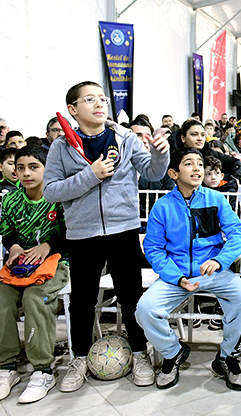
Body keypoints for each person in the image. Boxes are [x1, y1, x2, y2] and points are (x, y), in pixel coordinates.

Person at [43, 81, 169, 392]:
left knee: (131, 296)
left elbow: (152, 173)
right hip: (82, 233)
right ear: (73, 110)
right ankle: (80, 358)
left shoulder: (125, 138)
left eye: (102, 98)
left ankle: (140, 353)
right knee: (82, 301)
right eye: (89, 99)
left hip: (122, 229)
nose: (99, 104)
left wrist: (160, 156)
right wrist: (90, 175)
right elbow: (51, 191)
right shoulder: (61, 147)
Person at [135, 148, 241, 390]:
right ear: (173, 173)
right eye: (189, 163)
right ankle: (173, 352)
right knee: (145, 310)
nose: (197, 168)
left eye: (199, 163)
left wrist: (220, 260)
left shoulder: (216, 199)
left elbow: (238, 233)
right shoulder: (162, 207)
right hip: (176, 276)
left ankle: (227, 357)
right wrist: (176, 277)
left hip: (213, 272)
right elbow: (154, 248)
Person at [0, 146, 68, 403]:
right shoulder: (11, 200)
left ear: (46, 168)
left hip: (58, 262)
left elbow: (72, 235)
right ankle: (6, 367)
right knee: (2, 299)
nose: (26, 173)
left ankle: (42, 370)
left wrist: (48, 246)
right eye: (20, 168)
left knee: (34, 298)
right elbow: (8, 234)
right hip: (21, 264)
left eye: (33, 167)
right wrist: (14, 247)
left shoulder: (59, 197)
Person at [176, 119, 241, 178]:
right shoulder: (174, 156)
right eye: (194, 134)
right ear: (183, 138)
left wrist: (233, 179)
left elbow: (235, 163)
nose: (200, 138)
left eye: (202, 135)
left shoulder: (209, 153)